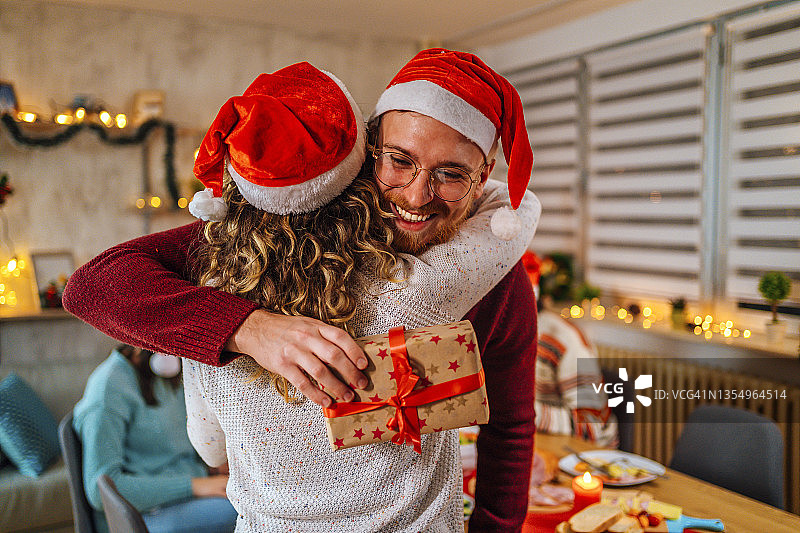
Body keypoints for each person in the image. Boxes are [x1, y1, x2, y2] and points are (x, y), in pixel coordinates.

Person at [63, 48, 539, 531]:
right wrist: (249, 328)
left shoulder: (496, 278)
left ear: (484, 176)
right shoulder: (285, 232)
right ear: (370, 150)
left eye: (451, 174)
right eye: (399, 161)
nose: (416, 197)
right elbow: (93, 285)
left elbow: (511, 427)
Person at [72, 344, 238, 533]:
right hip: (142, 515)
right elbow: (98, 491)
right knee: (242, 511)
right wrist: (194, 486)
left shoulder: (164, 373)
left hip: (196, 488)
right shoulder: (107, 389)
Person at [524, 252, 618, 446]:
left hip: (588, 457)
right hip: (537, 442)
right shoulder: (495, 336)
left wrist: (518, 411)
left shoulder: (563, 341)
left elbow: (593, 426)